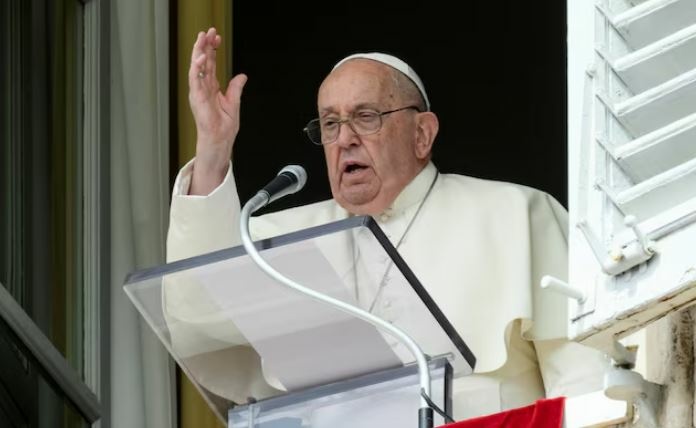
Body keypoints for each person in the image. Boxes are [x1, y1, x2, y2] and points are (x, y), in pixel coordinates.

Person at [166, 27, 610, 421]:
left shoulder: (516, 213)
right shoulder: (280, 241)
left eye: (366, 117)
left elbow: (585, 373)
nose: (345, 138)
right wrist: (213, 150)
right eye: (330, 123)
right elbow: (197, 310)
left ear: (422, 134)